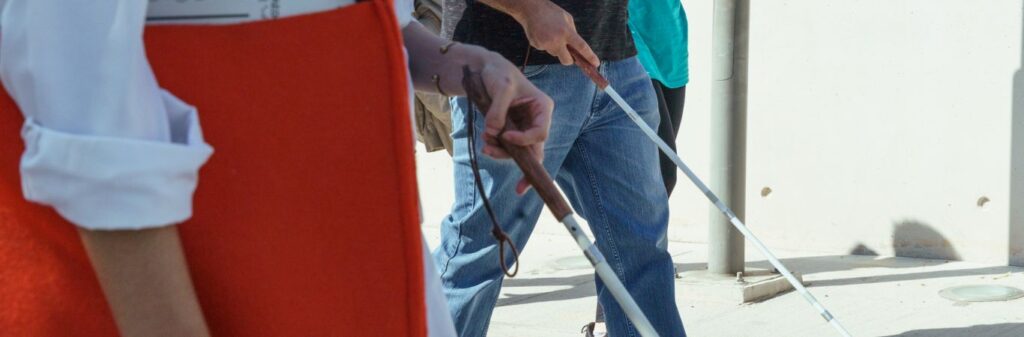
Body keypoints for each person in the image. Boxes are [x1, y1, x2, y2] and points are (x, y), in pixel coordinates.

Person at [0, 0, 551, 336]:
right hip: (201, 266)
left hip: (345, 251)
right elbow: (76, 80)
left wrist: (457, 62)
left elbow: (361, 18)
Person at [433, 1, 687, 336]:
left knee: (641, 251)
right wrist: (529, 9)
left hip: (617, 59)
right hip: (512, 67)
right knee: (483, 248)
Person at [582, 1, 690, 336]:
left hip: (665, 31)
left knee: (657, 185)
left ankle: (618, 319)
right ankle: (609, 320)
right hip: (617, 36)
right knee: (652, 180)